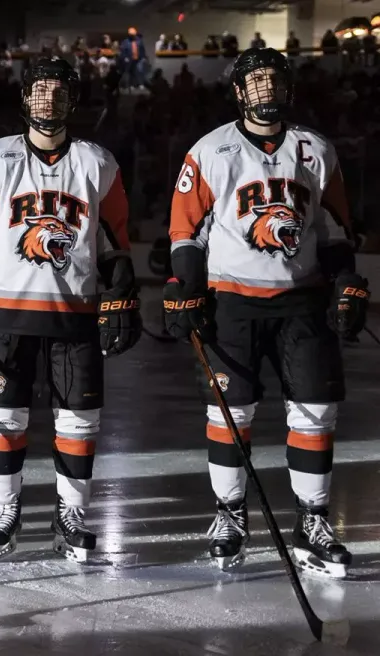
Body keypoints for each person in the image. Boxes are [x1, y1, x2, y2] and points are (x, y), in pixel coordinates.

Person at [164, 48, 365, 578]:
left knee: (316, 412)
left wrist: (346, 279)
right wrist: (185, 286)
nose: (264, 89)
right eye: (254, 81)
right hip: (232, 302)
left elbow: (335, 228)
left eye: (273, 79)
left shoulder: (316, 149)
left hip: (302, 300)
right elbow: (186, 231)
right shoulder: (210, 151)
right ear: (238, 91)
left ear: (288, 87)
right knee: (231, 416)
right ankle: (230, 514)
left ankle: (313, 520)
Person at [0, 57, 140, 563]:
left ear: (72, 100)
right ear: (25, 97)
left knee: (78, 422)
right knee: (4, 420)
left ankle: (70, 513)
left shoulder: (98, 162)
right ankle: (4, 510)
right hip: (8, 316)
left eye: (57, 91)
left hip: (75, 315)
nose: (47, 99)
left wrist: (121, 294)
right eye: (39, 90)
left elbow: (117, 243)